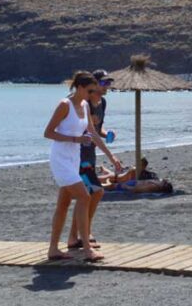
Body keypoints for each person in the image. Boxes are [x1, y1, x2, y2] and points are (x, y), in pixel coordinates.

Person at [43, 71, 123, 262]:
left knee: (63, 204)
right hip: (61, 158)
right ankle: (87, 249)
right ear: (79, 88)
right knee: (85, 196)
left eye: (94, 90)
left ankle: (53, 249)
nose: (92, 94)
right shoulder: (65, 105)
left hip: (74, 158)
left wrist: (111, 157)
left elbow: (93, 133)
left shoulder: (85, 104)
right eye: (89, 90)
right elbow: (48, 132)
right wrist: (75, 139)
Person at [67, 70, 113, 250]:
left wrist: (107, 134)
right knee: (88, 194)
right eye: (104, 83)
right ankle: (78, 236)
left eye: (108, 83)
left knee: (88, 195)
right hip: (78, 157)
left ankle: (82, 233)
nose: (107, 87)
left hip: (90, 155)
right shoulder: (83, 103)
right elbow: (80, 129)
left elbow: (95, 130)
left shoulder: (102, 103)